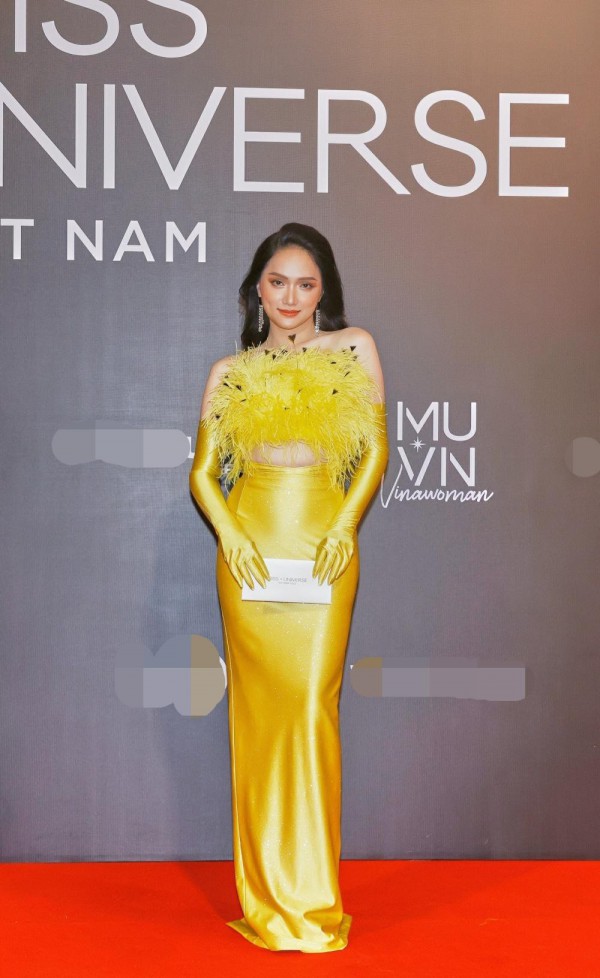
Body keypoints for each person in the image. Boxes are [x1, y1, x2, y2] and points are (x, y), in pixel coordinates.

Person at [189, 223, 389, 952]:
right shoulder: (231, 371)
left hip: (324, 544)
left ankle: (312, 900)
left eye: (306, 284)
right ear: (257, 289)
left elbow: (376, 450)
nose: (292, 297)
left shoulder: (353, 348)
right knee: (258, 718)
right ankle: (269, 900)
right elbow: (203, 474)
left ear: (324, 290)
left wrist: (344, 526)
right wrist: (232, 536)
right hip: (250, 549)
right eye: (278, 282)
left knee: (310, 709)